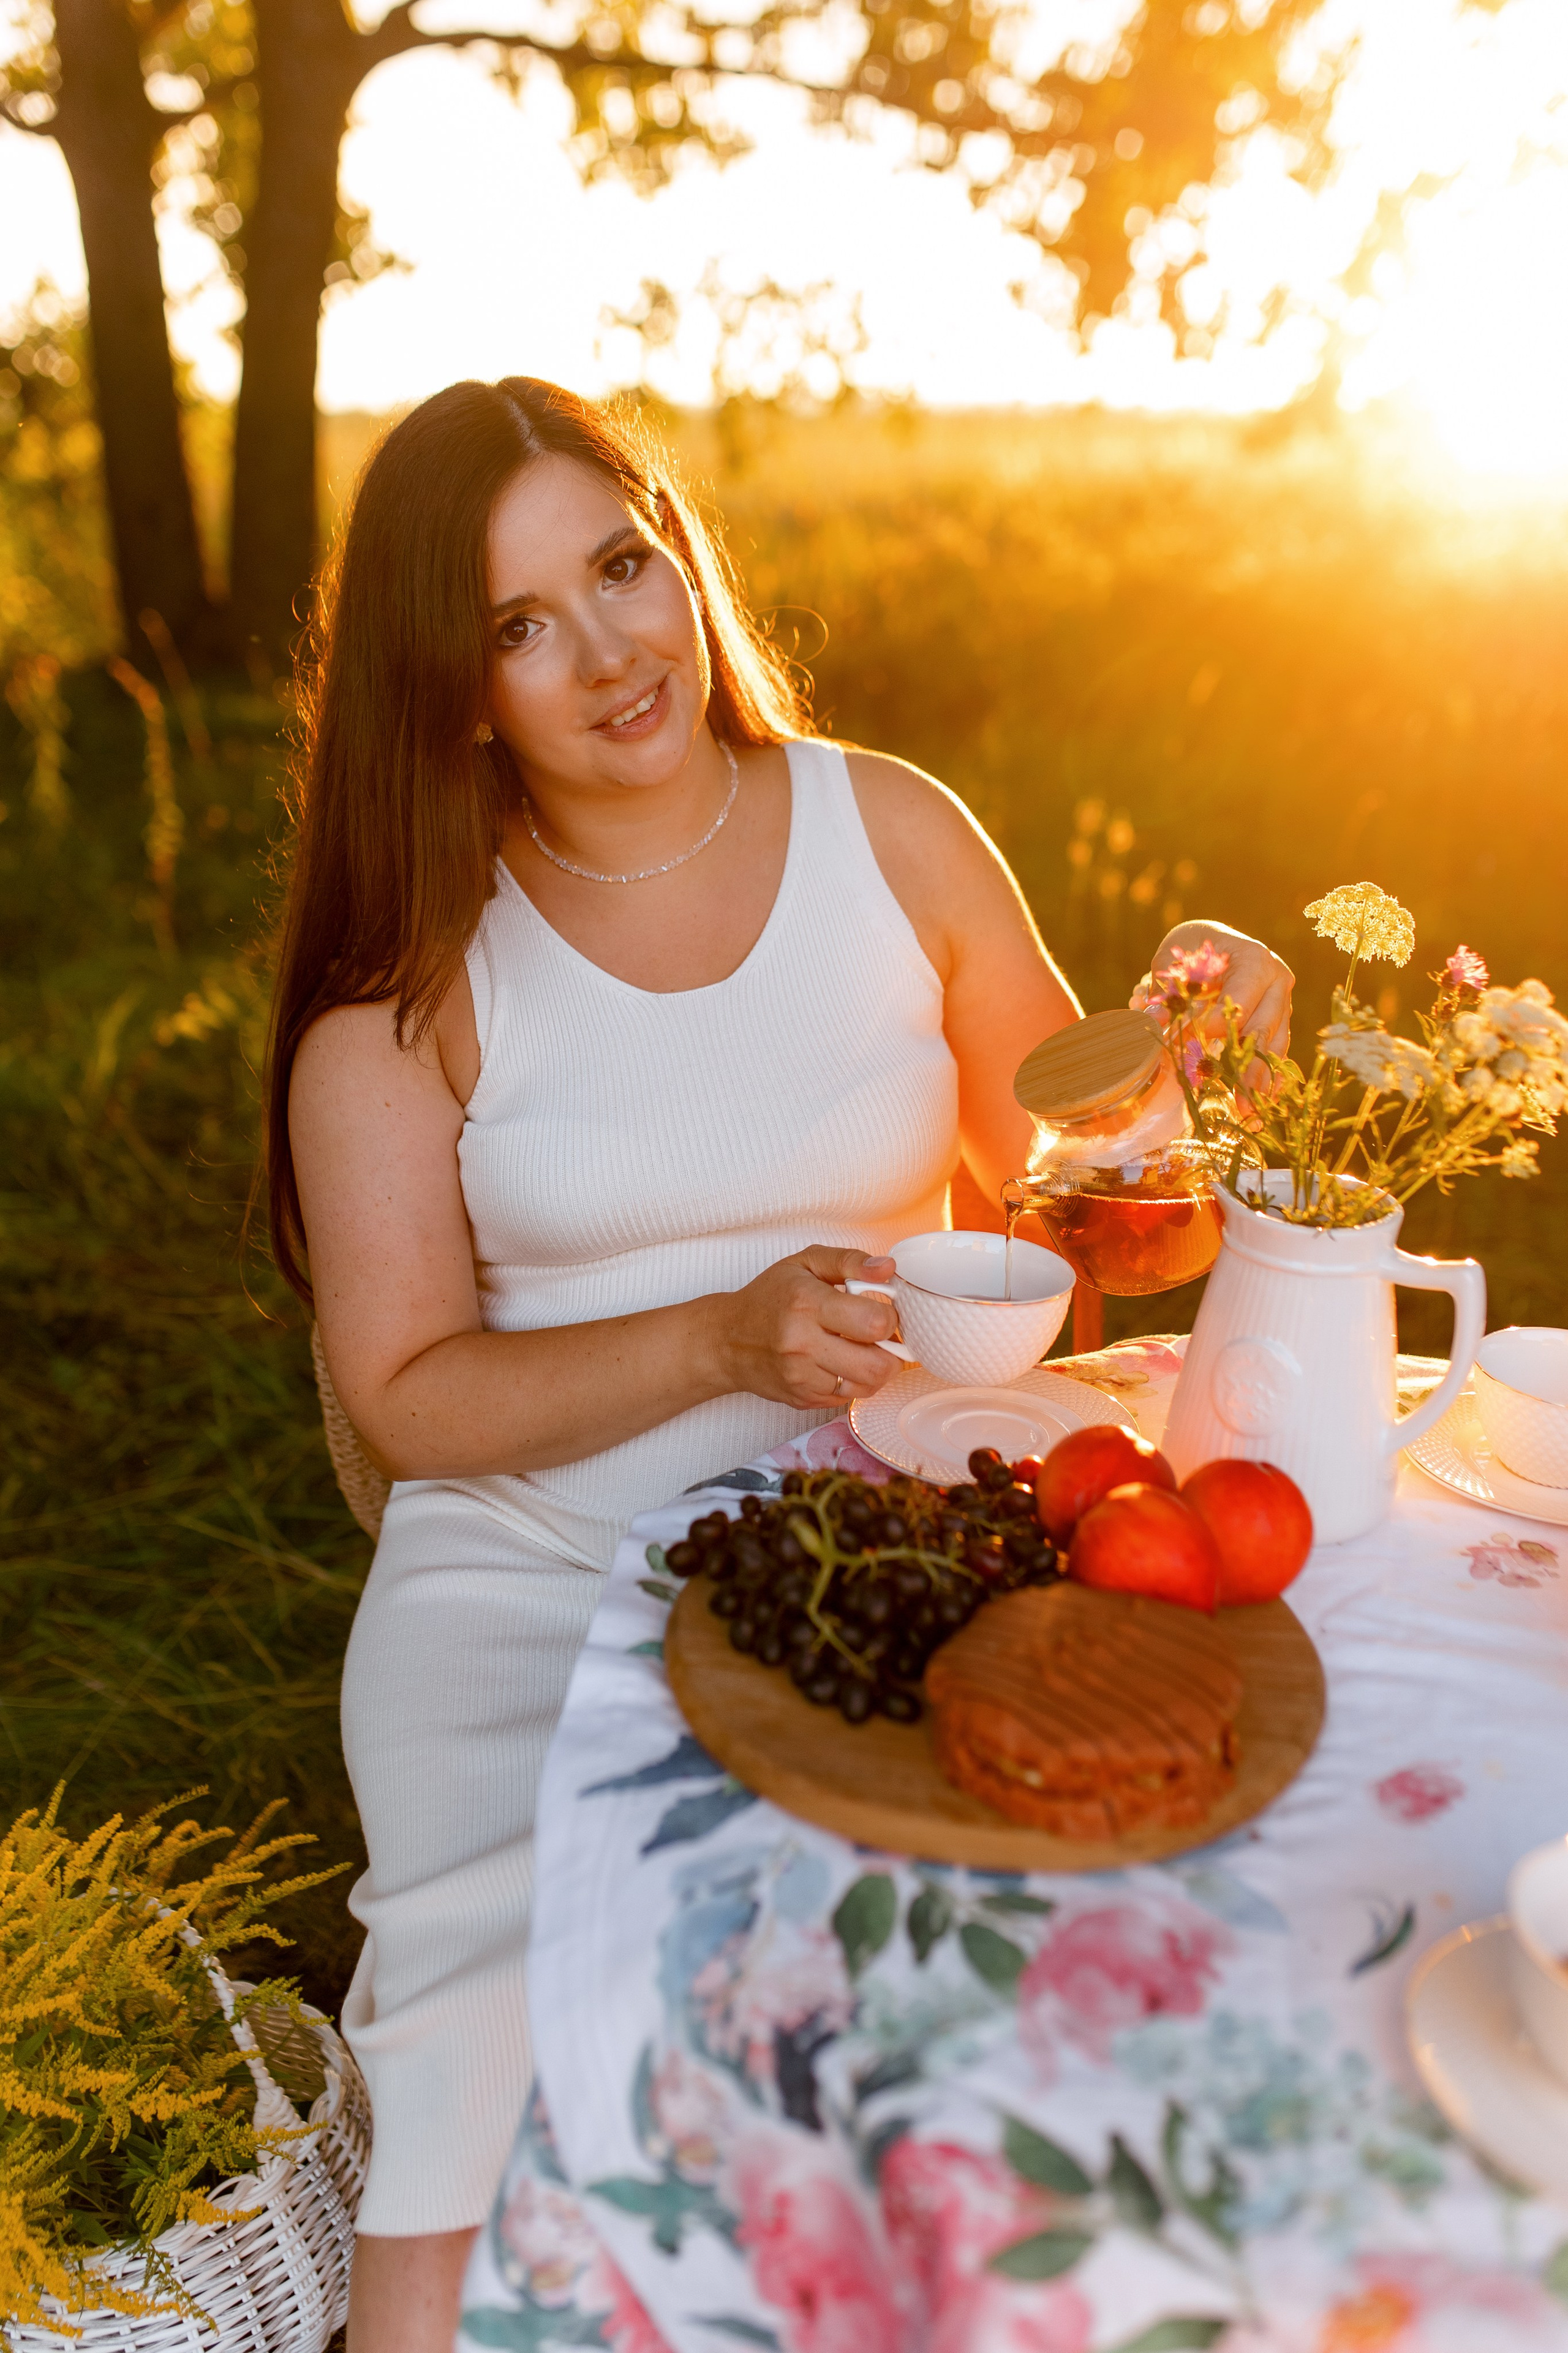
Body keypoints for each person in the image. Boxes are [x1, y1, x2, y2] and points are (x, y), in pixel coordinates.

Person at [267, 376, 1294, 2352]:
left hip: (884, 1538)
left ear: (680, 544)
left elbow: (1099, 1217)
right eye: (520, 625)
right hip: (532, 1574)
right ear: (455, 684)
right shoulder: (411, 985)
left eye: (621, 564)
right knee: (484, 2037)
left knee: (951, 2003)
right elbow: (404, 1391)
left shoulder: (888, 827)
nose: (610, 650)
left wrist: (1200, 1050)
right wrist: (720, 1337)